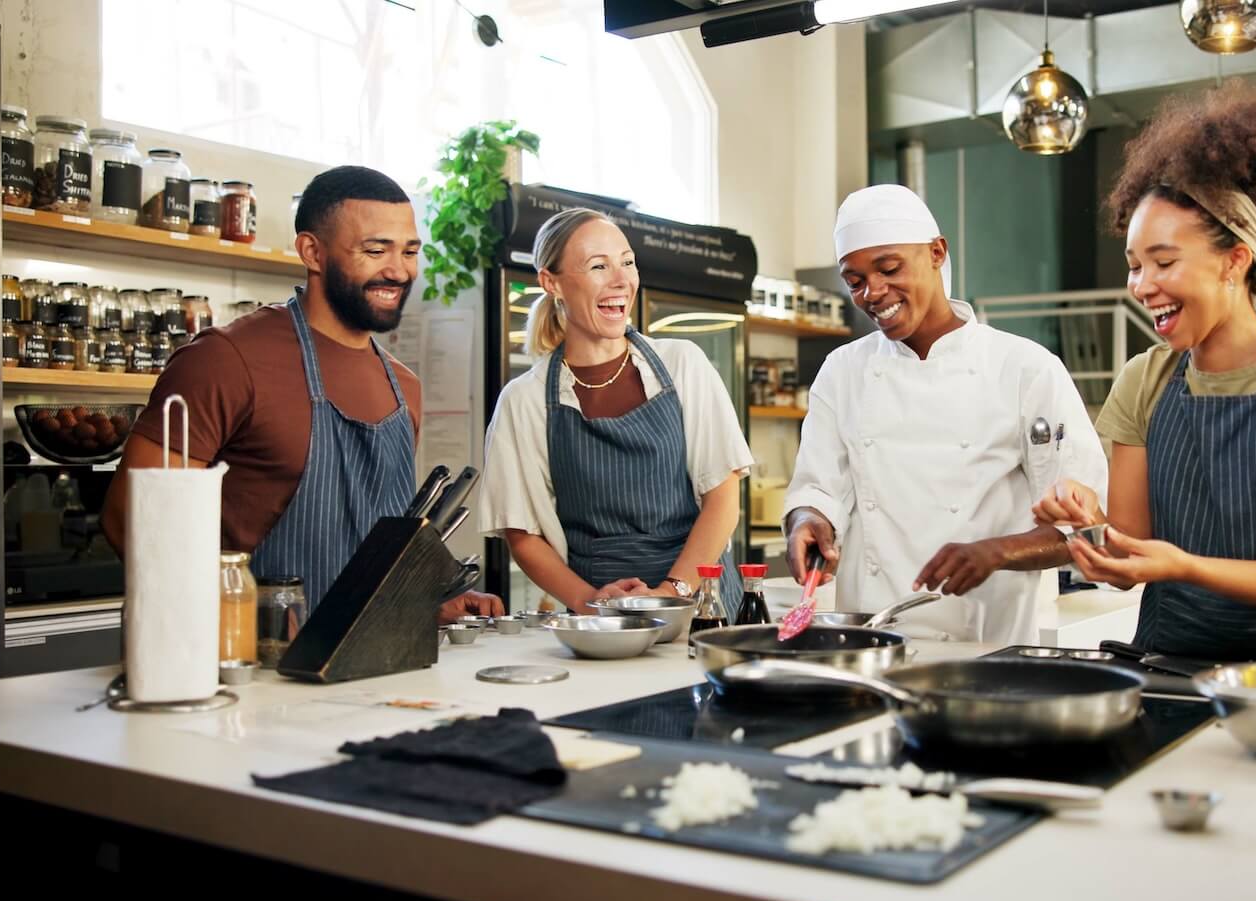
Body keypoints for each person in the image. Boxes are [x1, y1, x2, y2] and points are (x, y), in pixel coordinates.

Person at [1034, 85, 1256, 664]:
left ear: (1235, 260)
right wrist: (1085, 523)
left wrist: (1183, 566)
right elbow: (1127, 558)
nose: (1141, 286)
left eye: (1164, 262)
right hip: (1172, 671)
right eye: (1134, 265)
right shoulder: (1143, 381)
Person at [103, 166, 503, 622]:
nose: (398, 270)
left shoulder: (403, 388)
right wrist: (232, 628)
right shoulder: (226, 359)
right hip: (250, 656)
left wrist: (425, 595)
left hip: (371, 656)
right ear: (312, 252)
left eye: (410, 251)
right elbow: (133, 520)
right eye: (375, 250)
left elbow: (367, 538)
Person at [781, 184, 1107, 643]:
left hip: (987, 645)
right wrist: (807, 521)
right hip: (871, 643)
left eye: (889, 268)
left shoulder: (1025, 368)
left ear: (937, 252)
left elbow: (1083, 526)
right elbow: (817, 487)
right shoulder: (842, 370)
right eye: (854, 281)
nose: (873, 292)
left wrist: (996, 552)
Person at [474, 207, 754, 615]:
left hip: (701, 605)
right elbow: (523, 533)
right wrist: (591, 602)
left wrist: (671, 591)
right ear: (551, 282)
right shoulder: (525, 400)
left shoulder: (683, 364)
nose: (622, 280)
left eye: (627, 262)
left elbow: (723, 497)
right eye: (598, 266)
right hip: (601, 619)